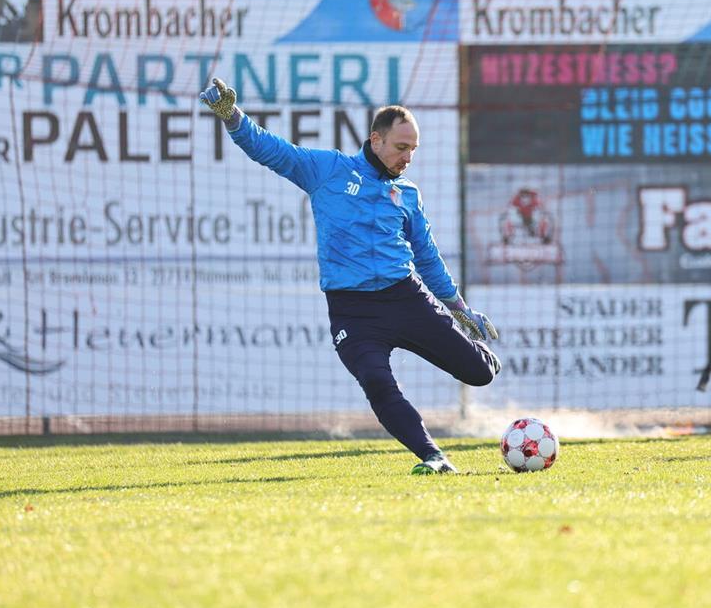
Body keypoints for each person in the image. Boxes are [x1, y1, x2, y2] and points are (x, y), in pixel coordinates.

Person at [200, 78, 501, 473]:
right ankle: (433, 457)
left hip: (406, 298)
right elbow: (271, 149)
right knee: (377, 383)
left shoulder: (407, 193)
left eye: (413, 149)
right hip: (353, 313)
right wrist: (232, 117)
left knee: (479, 373)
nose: (408, 157)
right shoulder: (328, 170)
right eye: (401, 147)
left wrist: (459, 309)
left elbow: (427, 257)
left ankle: (478, 360)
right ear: (376, 140)